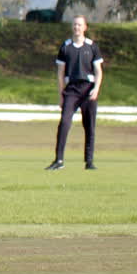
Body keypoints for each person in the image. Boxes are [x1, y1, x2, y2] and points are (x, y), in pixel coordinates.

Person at [46, 15, 103, 171]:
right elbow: (60, 72)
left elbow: (98, 71)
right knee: (64, 123)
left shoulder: (92, 47)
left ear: (85, 27)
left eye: (79, 25)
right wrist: (61, 94)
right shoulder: (65, 47)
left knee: (89, 125)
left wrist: (96, 88)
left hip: (88, 90)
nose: (76, 27)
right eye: (74, 25)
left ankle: (89, 161)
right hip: (71, 90)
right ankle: (59, 160)